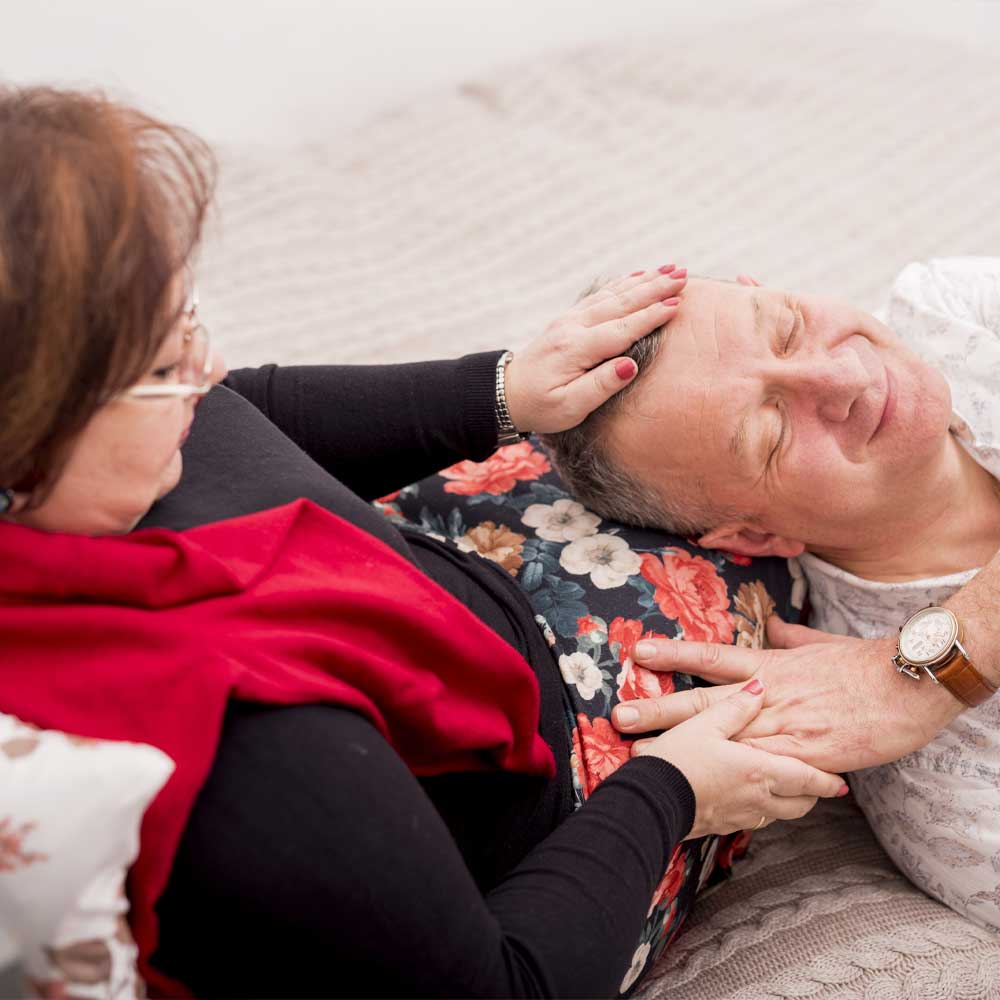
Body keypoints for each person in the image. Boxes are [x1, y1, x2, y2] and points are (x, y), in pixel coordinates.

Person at [0, 86, 850, 999]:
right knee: (789, 519)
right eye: (163, 365)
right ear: (36, 432)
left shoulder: (94, 476)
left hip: (424, 587)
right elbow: (506, 984)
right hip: (580, 816)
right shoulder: (247, 763)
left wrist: (497, 391)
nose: (202, 367)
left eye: (187, 318)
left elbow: (237, 410)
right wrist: (673, 792)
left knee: (657, 423)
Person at [543, 263, 1000, 930]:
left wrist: (935, 669)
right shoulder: (937, 779)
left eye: (787, 328)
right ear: (755, 533)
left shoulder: (948, 309)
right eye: (773, 432)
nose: (843, 377)